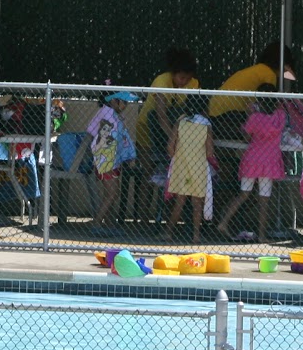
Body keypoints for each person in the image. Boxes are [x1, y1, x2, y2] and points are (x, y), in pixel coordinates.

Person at [214, 85, 285, 243]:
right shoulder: (280, 116)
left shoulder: (254, 118)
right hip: (270, 162)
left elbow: (246, 138)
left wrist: (249, 115)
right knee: (264, 198)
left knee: (244, 194)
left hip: (252, 160)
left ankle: (223, 222)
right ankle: (261, 235)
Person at [136, 48, 200, 221]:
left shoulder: (193, 84)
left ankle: (167, 217)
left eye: (188, 78)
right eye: (181, 78)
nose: (184, 82)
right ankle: (142, 219)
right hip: (147, 131)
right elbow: (161, 115)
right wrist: (175, 139)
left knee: (174, 173)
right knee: (149, 172)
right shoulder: (161, 82)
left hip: (174, 134)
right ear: (173, 73)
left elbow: (190, 111)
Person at [209, 42, 294, 140]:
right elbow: (268, 104)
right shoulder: (269, 74)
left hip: (214, 116)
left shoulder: (257, 69)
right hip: (230, 116)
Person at [87, 91, 139, 236]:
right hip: (106, 160)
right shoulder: (107, 114)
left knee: (110, 194)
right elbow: (94, 131)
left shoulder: (113, 115)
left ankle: (108, 224)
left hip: (113, 160)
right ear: (114, 101)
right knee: (112, 194)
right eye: (124, 102)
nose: (126, 105)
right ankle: (96, 224)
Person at [164, 93, 214, 244]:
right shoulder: (206, 124)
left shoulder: (181, 121)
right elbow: (210, 151)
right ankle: (196, 235)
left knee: (180, 200)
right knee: (197, 202)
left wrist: (177, 156)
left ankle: (168, 232)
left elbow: (170, 147)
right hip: (198, 166)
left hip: (181, 165)